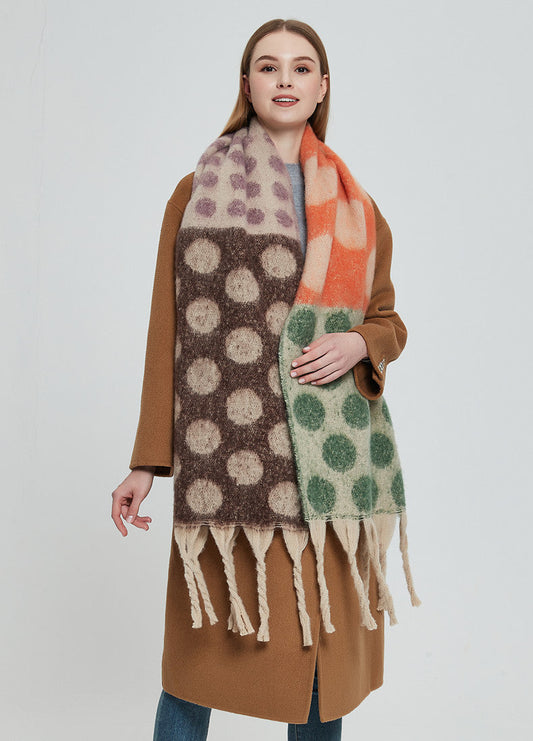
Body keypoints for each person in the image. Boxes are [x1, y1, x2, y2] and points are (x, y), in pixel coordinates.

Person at [111, 17, 419, 741]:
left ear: (322, 87)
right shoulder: (195, 194)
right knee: (196, 664)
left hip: (329, 463)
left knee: (318, 665)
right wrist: (146, 461)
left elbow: (388, 320)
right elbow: (167, 329)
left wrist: (358, 342)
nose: (285, 79)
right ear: (246, 84)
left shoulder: (358, 209)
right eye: (268, 66)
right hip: (229, 458)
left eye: (301, 67)